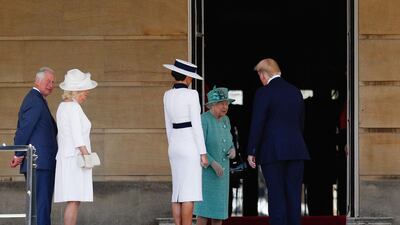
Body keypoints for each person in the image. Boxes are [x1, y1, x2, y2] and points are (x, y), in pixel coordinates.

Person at [247, 58, 310, 225]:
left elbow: (257, 124)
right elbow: (301, 123)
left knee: (276, 195)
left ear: (263, 74)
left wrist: (252, 150)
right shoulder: (295, 91)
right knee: (293, 195)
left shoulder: (263, 93)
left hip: (272, 151)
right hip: (296, 150)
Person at [163, 59, 209, 225]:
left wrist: (172, 145)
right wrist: (203, 153)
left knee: (177, 192)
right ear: (188, 77)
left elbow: (167, 125)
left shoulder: (167, 95)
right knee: (189, 192)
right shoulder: (192, 94)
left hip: (174, 145)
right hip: (189, 144)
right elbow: (197, 126)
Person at [10, 67, 58, 225]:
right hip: (39, 163)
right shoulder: (35, 100)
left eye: (53, 82)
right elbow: (24, 129)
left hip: (41, 163)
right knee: (41, 207)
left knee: (40, 207)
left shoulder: (37, 100)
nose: (51, 85)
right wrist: (18, 153)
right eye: (48, 81)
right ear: (38, 81)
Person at [53, 69, 98, 225]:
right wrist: (88, 157)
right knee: (74, 200)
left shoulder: (63, 106)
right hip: (74, 159)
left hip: (68, 157)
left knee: (74, 199)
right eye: (85, 90)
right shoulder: (73, 107)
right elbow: (77, 136)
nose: (87, 93)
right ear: (77, 91)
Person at [194, 87, 236, 225]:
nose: (225, 107)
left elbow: (229, 141)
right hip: (207, 174)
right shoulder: (203, 120)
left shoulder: (226, 120)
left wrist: (233, 149)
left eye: (227, 103)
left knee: (219, 214)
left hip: (222, 174)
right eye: (222, 103)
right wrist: (212, 162)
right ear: (212, 104)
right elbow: (198, 147)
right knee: (203, 213)